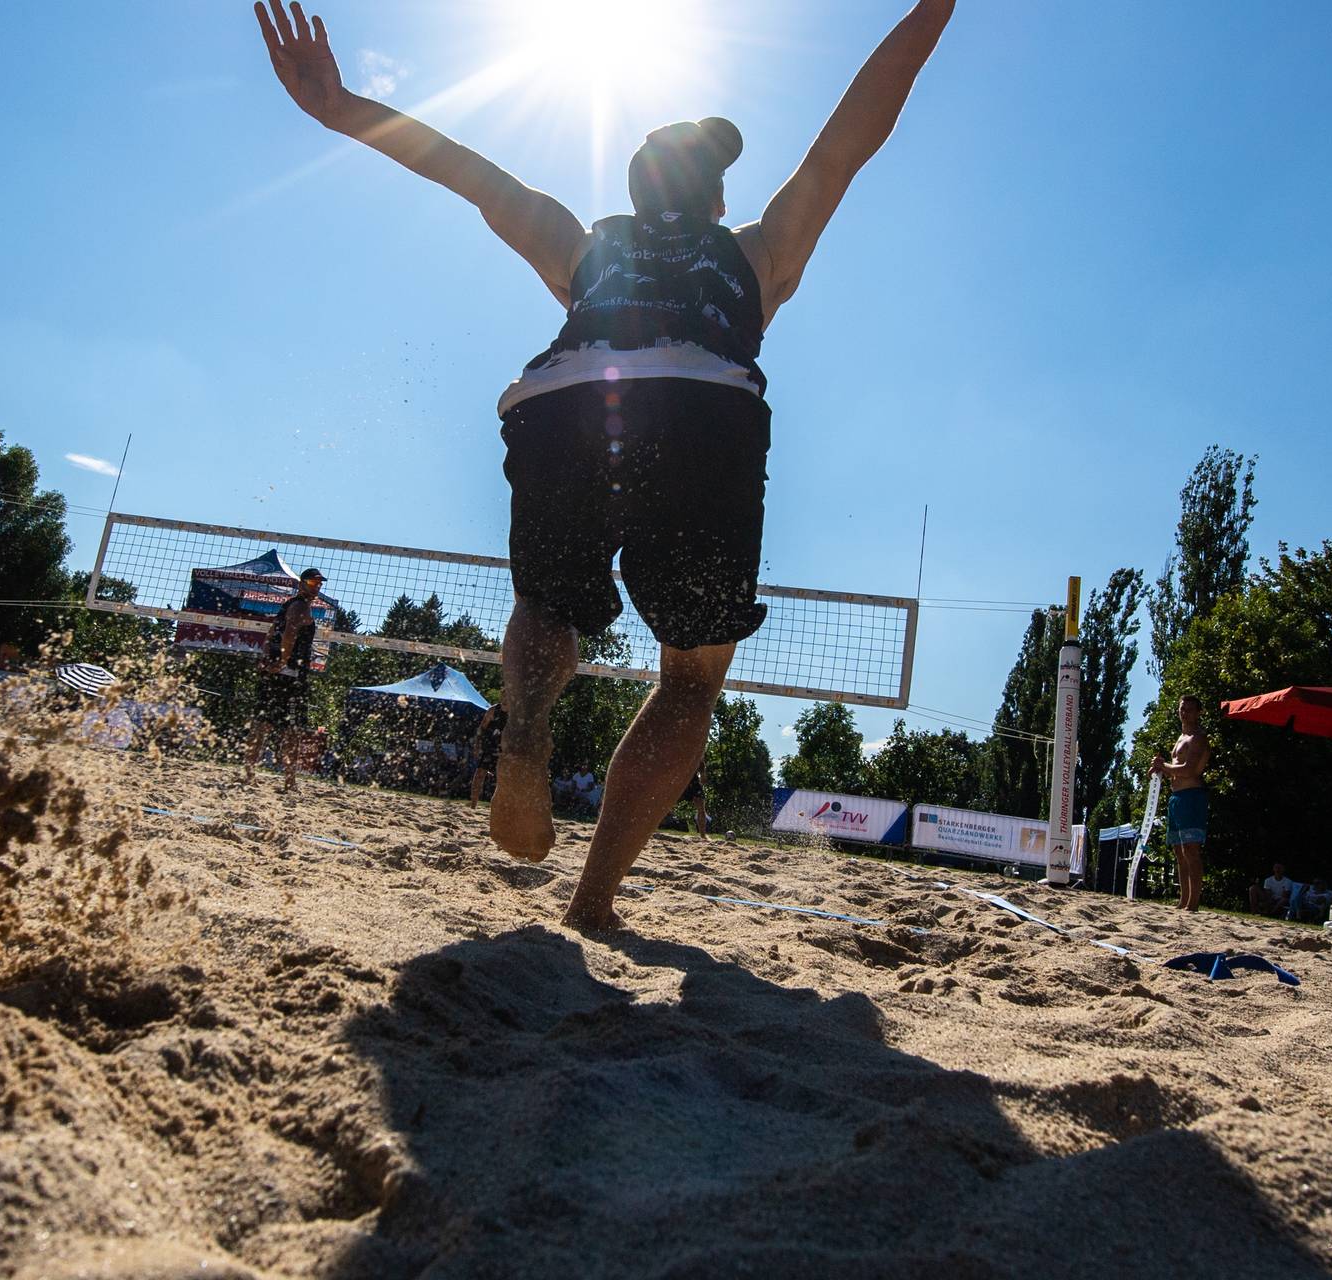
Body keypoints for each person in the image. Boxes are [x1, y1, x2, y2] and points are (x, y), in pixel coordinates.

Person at [255, 0, 955, 931]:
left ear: (637, 197)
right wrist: (933, 11)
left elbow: (472, 176)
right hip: (703, 405)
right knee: (688, 680)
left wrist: (342, 107)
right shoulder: (753, 249)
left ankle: (528, 733)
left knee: (547, 605)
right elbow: (852, 133)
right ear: (713, 202)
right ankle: (592, 900)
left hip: (565, 397)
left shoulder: (585, 247)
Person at [245, 568, 326, 784]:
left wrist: (265, 657)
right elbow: (289, 632)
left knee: (263, 722)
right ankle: (289, 780)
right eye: (311, 583)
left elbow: (271, 632)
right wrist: (282, 661)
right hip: (289, 675)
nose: (316, 587)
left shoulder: (289, 604)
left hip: (276, 672)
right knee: (291, 728)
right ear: (301, 584)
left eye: (318, 584)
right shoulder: (299, 606)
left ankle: (249, 773)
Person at [1147, 695, 1214, 911]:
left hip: (1192, 796)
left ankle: (1193, 903)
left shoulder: (1198, 738)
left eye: (1189, 709)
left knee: (1191, 849)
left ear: (1198, 713)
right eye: (1182, 709)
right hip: (1176, 797)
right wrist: (1159, 770)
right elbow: (1174, 770)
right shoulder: (1180, 737)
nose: (1184, 713)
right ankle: (1183, 900)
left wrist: (1164, 766)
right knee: (1179, 850)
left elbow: (1189, 770)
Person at [466, 705, 505, 804]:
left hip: (505, 750)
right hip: (490, 747)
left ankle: (499, 804)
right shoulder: (494, 710)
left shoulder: (515, 711)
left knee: (503, 779)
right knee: (479, 774)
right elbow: (482, 727)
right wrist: (477, 744)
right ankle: (473, 803)